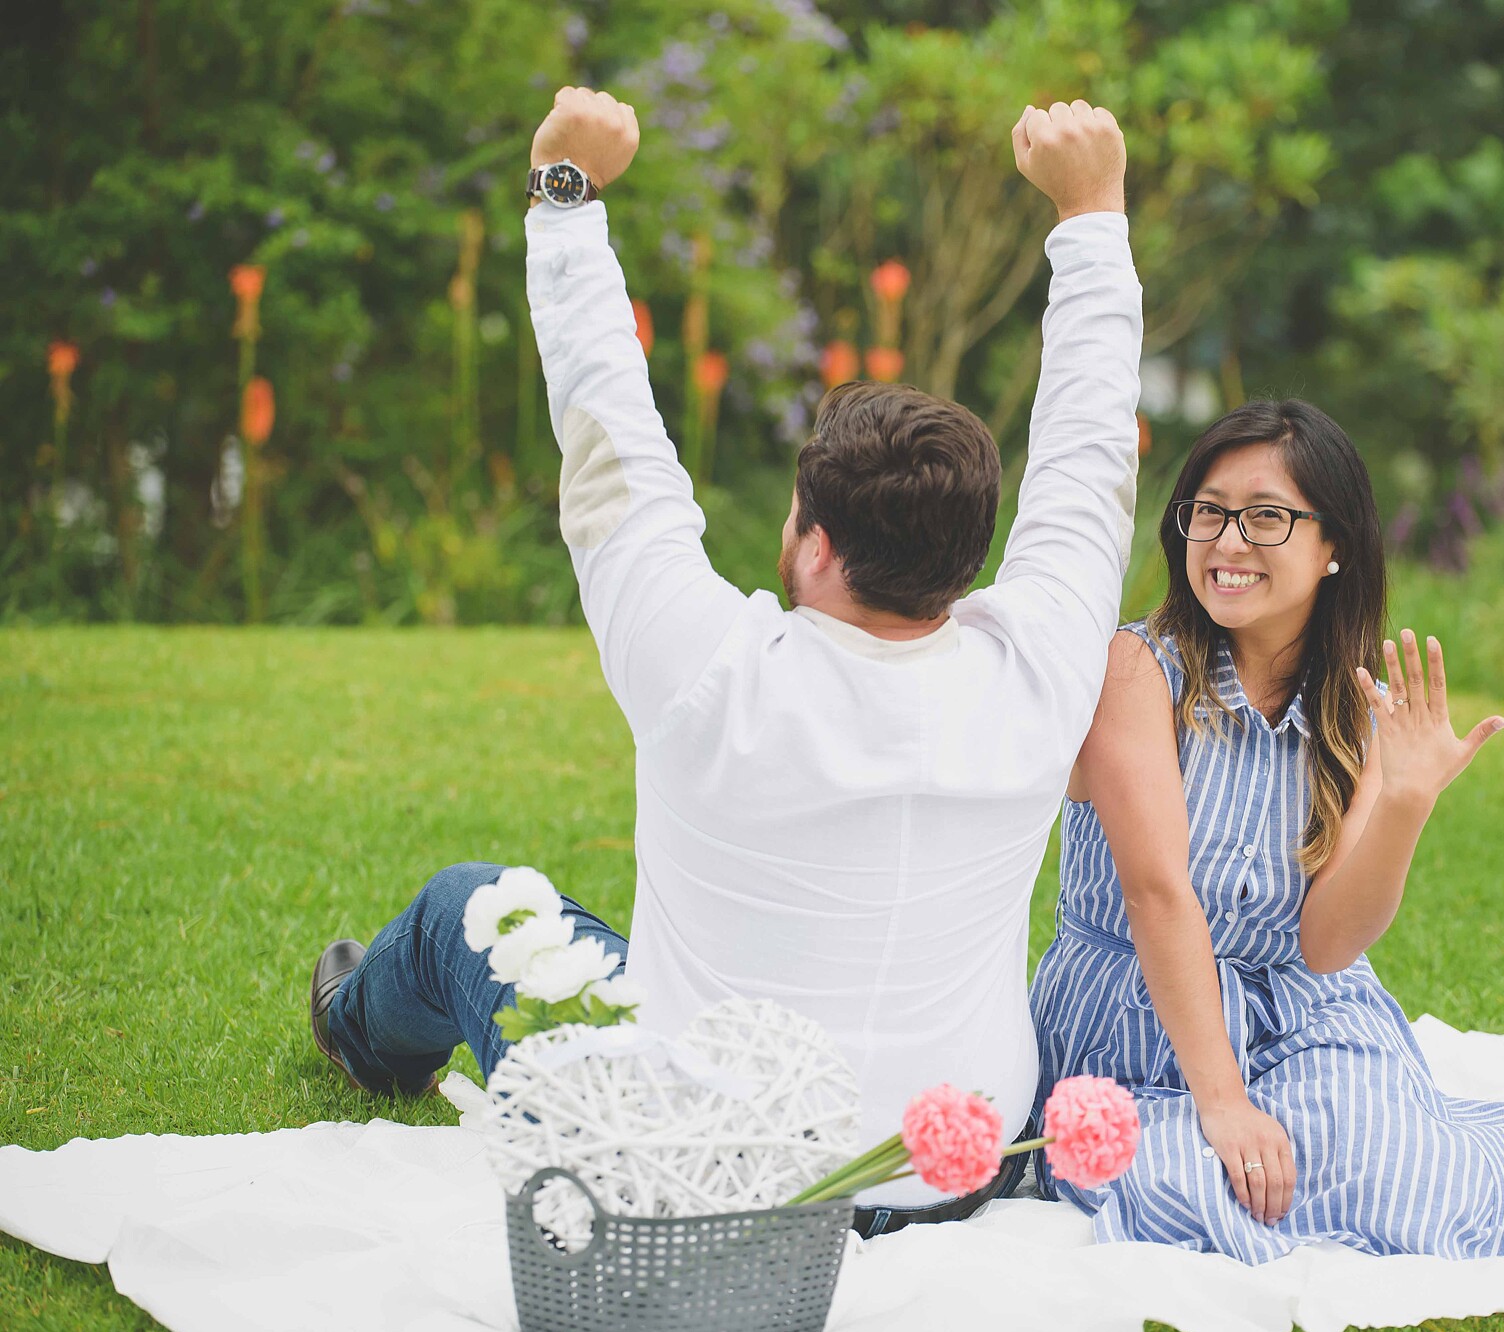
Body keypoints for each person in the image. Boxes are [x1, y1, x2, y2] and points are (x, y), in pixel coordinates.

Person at [308, 86, 1143, 1238]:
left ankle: (355, 1030)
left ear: (812, 543)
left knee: (472, 908)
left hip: (687, 1182)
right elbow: (1089, 464)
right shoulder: (1039, 672)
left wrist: (565, 194)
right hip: (951, 1179)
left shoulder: (712, 667)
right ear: (967, 557)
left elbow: (606, 438)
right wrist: (1090, 212)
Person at [1029, 399, 1504, 1264]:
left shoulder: (1352, 706)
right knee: (1190, 1189)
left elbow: (1326, 943)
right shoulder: (1138, 667)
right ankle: (1281, 1129)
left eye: (1267, 516)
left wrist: (1404, 803)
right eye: (1209, 510)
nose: (1228, 541)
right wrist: (1225, 1100)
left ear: (1334, 547)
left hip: (1303, 1012)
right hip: (1142, 1021)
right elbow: (1157, 891)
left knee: (1402, 1177)